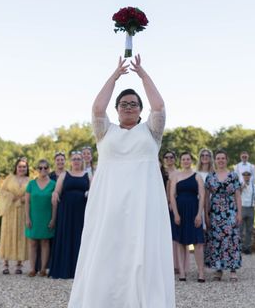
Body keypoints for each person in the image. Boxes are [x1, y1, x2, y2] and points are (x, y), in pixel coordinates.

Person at [68, 56, 175, 308]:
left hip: (143, 204)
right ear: (116, 109)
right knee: (106, 251)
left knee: (142, 252)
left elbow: (159, 106)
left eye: (134, 104)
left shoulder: (151, 132)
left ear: (140, 110)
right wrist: (115, 76)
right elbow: (96, 108)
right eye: (124, 104)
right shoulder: (105, 132)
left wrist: (142, 75)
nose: (129, 107)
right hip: (109, 204)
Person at [49, 150, 91, 279]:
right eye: (74, 159)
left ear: (82, 161)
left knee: (80, 237)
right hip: (66, 212)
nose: (76, 161)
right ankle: (64, 269)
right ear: (70, 161)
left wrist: (89, 192)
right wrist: (55, 194)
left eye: (79, 159)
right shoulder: (64, 175)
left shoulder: (87, 175)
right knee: (66, 236)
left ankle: (80, 271)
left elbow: (94, 189)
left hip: (81, 212)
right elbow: (57, 191)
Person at [204, 149, 242, 282]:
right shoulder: (210, 176)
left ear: (226, 160)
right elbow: (206, 198)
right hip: (215, 213)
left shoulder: (233, 176)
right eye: (218, 158)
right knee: (216, 240)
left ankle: (233, 269)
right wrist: (206, 215)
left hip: (230, 211)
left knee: (232, 239)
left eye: (223, 158)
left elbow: (238, 195)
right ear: (215, 160)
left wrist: (239, 213)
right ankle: (218, 269)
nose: (220, 160)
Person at [171, 152, 205, 282]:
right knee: (180, 242)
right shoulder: (176, 176)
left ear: (191, 161)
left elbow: (202, 196)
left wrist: (199, 214)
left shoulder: (197, 176)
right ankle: (182, 273)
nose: (185, 161)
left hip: (194, 210)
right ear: (180, 161)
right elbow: (172, 196)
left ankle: (201, 272)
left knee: (198, 242)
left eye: (188, 159)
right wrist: (176, 213)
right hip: (180, 211)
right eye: (183, 159)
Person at [24, 159, 56, 277]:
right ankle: (32, 269)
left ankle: (43, 269)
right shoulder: (31, 184)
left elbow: (55, 204)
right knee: (32, 242)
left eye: (45, 167)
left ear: (49, 169)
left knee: (45, 242)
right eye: (40, 168)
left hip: (47, 216)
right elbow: (27, 202)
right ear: (37, 169)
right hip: (33, 217)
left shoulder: (53, 184)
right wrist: (27, 218)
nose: (43, 170)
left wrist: (53, 219)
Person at [0, 157, 29, 274]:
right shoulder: (9, 178)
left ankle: (19, 264)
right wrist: (12, 197)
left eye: (24, 167)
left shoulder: (29, 180)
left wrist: (23, 198)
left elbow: (31, 194)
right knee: (8, 235)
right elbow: (2, 191)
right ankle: (5, 264)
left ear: (27, 168)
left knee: (21, 236)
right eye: (20, 166)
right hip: (10, 211)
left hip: (22, 211)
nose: (22, 168)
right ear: (16, 167)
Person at [162, 149, 180, 274]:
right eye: (167, 157)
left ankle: (176, 264)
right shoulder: (159, 172)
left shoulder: (179, 173)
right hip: (160, 204)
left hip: (175, 205)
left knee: (174, 235)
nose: (169, 159)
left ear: (175, 159)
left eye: (171, 157)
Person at [240, 171, 255, 255]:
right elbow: (235, 196)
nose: (246, 177)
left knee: (249, 229)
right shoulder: (239, 185)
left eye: (248, 175)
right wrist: (242, 188)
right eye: (245, 175)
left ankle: (247, 247)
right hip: (242, 208)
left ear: (250, 176)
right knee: (240, 229)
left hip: (251, 208)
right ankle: (239, 247)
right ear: (243, 176)